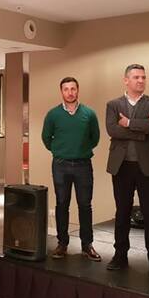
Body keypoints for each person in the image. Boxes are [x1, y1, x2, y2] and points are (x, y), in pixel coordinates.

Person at [105, 65, 149, 277]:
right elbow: (112, 130)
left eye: (143, 77)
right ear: (126, 80)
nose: (141, 80)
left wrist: (129, 123)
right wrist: (141, 131)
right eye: (136, 77)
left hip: (148, 166)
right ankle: (120, 256)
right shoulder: (113, 105)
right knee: (122, 212)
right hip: (121, 166)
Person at [41, 77, 101, 261]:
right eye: (66, 89)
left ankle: (87, 245)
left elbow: (95, 138)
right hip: (60, 165)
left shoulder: (89, 114)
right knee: (62, 204)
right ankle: (62, 244)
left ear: (78, 90)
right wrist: (60, 150)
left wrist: (80, 150)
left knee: (85, 205)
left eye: (73, 89)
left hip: (83, 165)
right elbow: (46, 138)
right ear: (61, 92)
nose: (70, 92)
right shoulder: (53, 115)